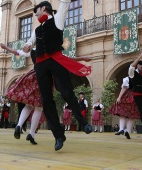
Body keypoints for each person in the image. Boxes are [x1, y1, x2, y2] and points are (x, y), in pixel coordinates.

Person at [21, 0, 92, 151]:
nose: (35, 13)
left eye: (36, 9)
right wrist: (27, 46)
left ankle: (83, 122)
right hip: (40, 65)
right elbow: (29, 45)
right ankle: (58, 135)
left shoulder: (58, 19)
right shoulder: (37, 30)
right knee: (46, 100)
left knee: (66, 91)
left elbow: (65, 1)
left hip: (55, 60)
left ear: (44, 8)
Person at [0, 32, 92, 146]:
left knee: (28, 104)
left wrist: (5, 47)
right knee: (38, 107)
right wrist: (83, 58)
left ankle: (19, 125)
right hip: (44, 79)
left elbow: (17, 52)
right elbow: (68, 58)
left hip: (33, 76)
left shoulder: (34, 50)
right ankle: (32, 133)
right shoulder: (52, 52)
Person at [128, 52, 142, 128]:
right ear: (138, 65)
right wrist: (140, 56)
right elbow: (131, 67)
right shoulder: (133, 73)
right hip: (138, 95)